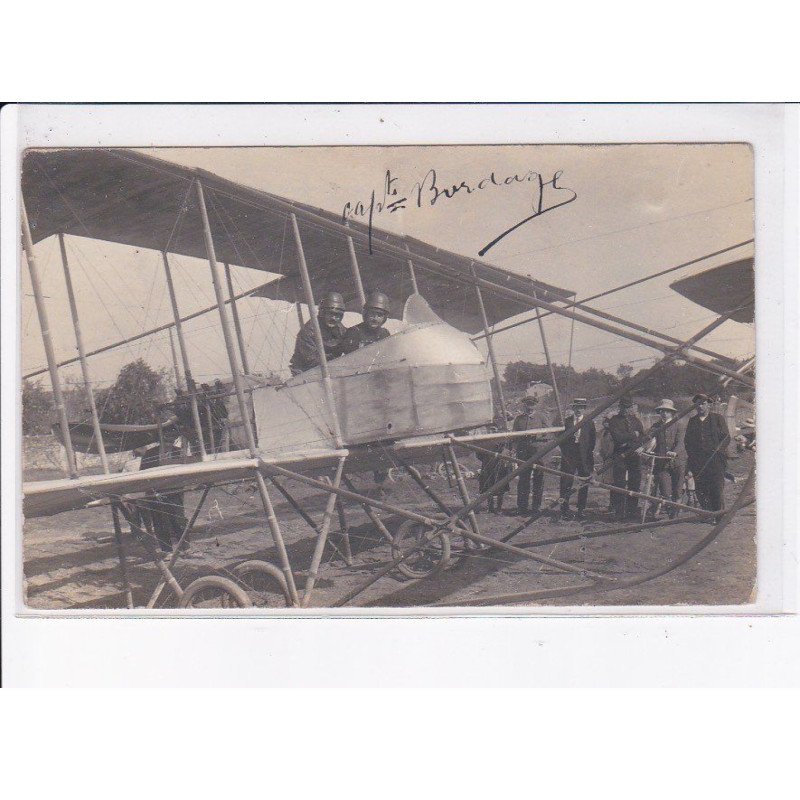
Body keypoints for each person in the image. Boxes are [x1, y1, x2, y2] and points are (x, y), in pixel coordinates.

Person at [684, 393, 730, 513]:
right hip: (698, 462)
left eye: (703, 404)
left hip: (716, 460)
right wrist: (693, 457)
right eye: (697, 404)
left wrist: (719, 450)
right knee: (701, 488)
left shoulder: (718, 418)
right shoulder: (692, 421)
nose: (700, 407)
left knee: (716, 488)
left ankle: (719, 514)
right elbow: (687, 441)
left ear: (708, 404)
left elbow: (726, 437)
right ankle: (707, 513)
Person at [645, 398, 687, 519]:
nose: (664, 413)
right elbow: (648, 439)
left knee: (677, 489)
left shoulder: (679, 424)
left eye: (667, 411)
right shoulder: (656, 426)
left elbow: (681, 442)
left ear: (672, 413)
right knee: (665, 490)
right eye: (662, 411)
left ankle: (675, 512)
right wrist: (643, 447)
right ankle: (669, 508)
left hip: (678, 461)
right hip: (662, 462)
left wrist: (674, 452)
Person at [289, 291, 347, 375]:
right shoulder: (309, 331)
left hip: (331, 370)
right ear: (322, 313)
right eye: (330, 314)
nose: (334, 318)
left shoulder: (341, 330)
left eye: (337, 315)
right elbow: (311, 360)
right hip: (305, 372)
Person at [608, 394, 645, 520]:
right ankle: (619, 512)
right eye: (623, 407)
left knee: (635, 483)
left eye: (628, 407)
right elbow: (618, 439)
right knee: (619, 484)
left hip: (635, 456)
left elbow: (642, 437)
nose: (626, 410)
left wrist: (640, 446)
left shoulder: (636, 421)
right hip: (620, 456)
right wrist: (633, 435)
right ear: (619, 407)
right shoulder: (613, 421)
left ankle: (632, 511)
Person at [558, 398, 596, 520]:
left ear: (584, 408)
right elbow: (560, 439)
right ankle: (564, 509)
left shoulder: (589, 422)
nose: (579, 409)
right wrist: (566, 451)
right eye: (576, 407)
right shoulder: (567, 422)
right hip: (569, 455)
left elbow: (592, 440)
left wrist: (587, 453)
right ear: (573, 408)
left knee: (584, 482)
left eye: (581, 407)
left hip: (584, 456)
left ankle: (581, 509)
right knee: (566, 482)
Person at [512, 395, 551, 515]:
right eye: (528, 404)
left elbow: (549, 433)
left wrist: (537, 435)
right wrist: (515, 447)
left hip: (538, 453)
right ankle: (522, 507)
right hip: (523, 453)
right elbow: (515, 435)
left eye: (532, 404)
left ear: (536, 405)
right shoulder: (519, 419)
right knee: (523, 480)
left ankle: (536, 507)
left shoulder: (541, 417)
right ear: (524, 405)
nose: (530, 407)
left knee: (539, 479)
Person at [475, 427, 513, 514]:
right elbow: (479, 454)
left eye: (495, 429)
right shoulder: (484, 440)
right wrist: (486, 460)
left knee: (501, 486)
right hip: (487, 465)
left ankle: (499, 507)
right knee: (488, 486)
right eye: (491, 429)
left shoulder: (504, 439)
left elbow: (509, 450)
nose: (493, 431)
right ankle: (490, 507)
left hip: (500, 466)